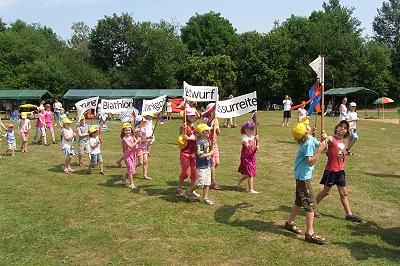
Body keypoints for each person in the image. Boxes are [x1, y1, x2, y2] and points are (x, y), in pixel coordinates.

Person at [284, 118, 327, 245]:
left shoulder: (309, 139)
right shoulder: (307, 144)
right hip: (303, 178)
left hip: (301, 176)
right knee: (310, 204)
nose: (308, 126)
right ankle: (310, 233)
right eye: (307, 126)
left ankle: (289, 222)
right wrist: (319, 150)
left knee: (299, 200)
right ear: (306, 132)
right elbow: (310, 161)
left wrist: (323, 139)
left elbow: (322, 146)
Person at [315, 120, 363, 222]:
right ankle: (312, 207)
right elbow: (326, 142)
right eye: (341, 126)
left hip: (340, 172)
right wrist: (324, 136)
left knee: (344, 193)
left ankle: (349, 214)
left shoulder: (342, 143)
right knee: (326, 192)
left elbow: (342, 153)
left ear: (346, 132)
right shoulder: (331, 139)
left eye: (345, 128)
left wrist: (346, 151)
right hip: (331, 171)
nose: (342, 128)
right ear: (337, 127)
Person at [185, 123, 215, 205]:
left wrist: (213, 144)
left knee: (207, 183)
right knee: (200, 183)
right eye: (207, 130)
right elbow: (200, 155)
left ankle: (205, 197)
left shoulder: (207, 140)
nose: (209, 131)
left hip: (207, 164)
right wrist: (211, 153)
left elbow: (209, 149)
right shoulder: (199, 143)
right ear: (202, 132)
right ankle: (189, 191)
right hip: (201, 166)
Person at [176, 107, 198, 196]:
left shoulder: (195, 126)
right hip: (185, 152)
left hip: (194, 152)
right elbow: (183, 137)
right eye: (190, 115)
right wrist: (186, 131)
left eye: (193, 115)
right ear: (186, 116)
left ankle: (192, 190)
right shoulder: (183, 126)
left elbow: (197, 137)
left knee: (195, 172)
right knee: (185, 173)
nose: (192, 116)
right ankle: (179, 187)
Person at [237, 121, 260, 193]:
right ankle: (251, 189)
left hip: (252, 156)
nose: (252, 130)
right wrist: (254, 140)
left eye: (253, 128)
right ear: (246, 130)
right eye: (251, 128)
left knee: (249, 172)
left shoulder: (253, 137)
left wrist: (257, 147)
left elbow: (256, 146)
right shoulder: (244, 138)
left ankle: (239, 180)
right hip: (246, 156)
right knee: (250, 173)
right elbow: (248, 147)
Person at [202, 103, 220, 190]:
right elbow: (204, 131)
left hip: (214, 143)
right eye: (213, 110)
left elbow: (218, 133)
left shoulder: (216, 119)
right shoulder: (206, 119)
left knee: (217, 163)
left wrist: (217, 129)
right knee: (213, 163)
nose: (214, 111)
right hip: (208, 143)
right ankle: (213, 182)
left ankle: (207, 174)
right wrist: (211, 127)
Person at [121, 123, 140, 189]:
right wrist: (137, 141)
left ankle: (124, 177)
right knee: (131, 170)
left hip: (133, 154)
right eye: (126, 130)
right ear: (123, 131)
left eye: (129, 130)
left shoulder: (132, 136)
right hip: (127, 156)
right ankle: (131, 184)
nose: (128, 131)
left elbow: (137, 143)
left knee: (132, 169)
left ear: (131, 130)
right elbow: (130, 146)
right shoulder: (124, 139)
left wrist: (138, 139)